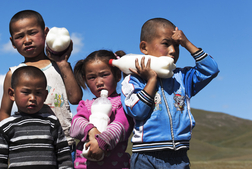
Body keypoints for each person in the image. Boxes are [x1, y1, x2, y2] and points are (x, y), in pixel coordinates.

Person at [121, 18, 219, 169]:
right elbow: (138, 111)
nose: (173, 50)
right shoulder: (133, 81)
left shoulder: (182, 78)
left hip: (178, 157)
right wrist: (151, 80)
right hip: (146, 156)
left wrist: (187, 43)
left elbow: (211, 69)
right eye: (166, 44)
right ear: (144, 47)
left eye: (177, 45)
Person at [0, 10, 83, 159]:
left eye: (32, 33)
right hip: (31, 148)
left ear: (46, 33)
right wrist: (12, 135)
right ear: (12, 42)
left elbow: (76, 98)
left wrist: (63, 64)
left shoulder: (59, 67)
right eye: (19, 36)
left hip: (65, 144)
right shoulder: (14, 74)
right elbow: (4, 112)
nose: (27, 40)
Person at [0, 66, 73, 169]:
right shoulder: (5, 126)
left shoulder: (52, 122)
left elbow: (64, 158)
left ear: (45, 95)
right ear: (12, 94)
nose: (32, 98)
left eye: (38, 93)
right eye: (26, 92)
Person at [70, 50, 134, 169]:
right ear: (85, 80)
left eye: (104, 75)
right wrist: (91, 130)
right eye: (92, 77)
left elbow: (120, 126)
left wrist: (101, 143)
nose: (99, 82)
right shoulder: (86, 105)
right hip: (84, 165)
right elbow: (75, 124)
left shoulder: (123, 103)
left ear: (118, 75)